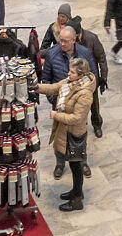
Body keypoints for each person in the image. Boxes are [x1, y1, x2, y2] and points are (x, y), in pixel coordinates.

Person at [36, 56, 95, 212]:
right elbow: (55, 87)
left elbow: (77, 118)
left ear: (81, 75)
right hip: (66, 132)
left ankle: (77, 200)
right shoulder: (71, 83)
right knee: (73, 164)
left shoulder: (84, 94)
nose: (68, 74)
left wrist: (56, 115)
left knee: (76, 166)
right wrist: (35, 87)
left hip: (74, 134)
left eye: (72, 72)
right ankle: (76, 192)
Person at [40, 25, 98, 179]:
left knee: (78, 135)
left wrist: (83, 98)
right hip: (59, 104)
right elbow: (47, 80)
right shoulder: (52, 54)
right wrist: (54, 99)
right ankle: (60, 163)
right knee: (60, 137)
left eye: (66, 41)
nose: (62, 44)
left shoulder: (84, 53)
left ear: (74, 40)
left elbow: (92, 75)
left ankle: (82, 162)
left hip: (78, 104)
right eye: (60, 41)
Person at [72, 18, 108, 139]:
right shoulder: (71, 41)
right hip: (76, 79)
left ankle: (97, 124)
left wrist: (103, 77)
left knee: (94, 104)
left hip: (91, 79)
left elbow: (102, 58)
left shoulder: (91, 38)